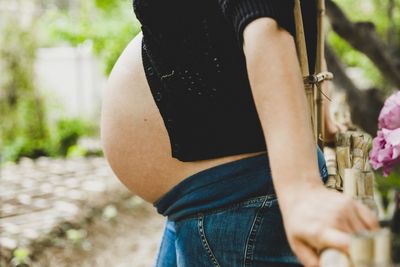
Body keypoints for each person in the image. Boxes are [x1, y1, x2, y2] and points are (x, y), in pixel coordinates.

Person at [100, 0, 379, 266]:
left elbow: (263, 18)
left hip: (241, 204)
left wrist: (300, 187)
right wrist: (319, 105)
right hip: (219, 202)